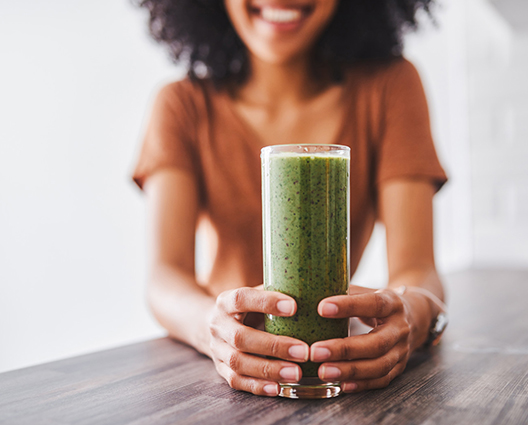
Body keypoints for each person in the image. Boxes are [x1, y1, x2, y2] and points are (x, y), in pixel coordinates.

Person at [132, 0, 447, 397]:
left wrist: (412, 320)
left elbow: (417, 268)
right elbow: (164, 277)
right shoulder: (182, 104)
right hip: (228, 375)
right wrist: (213, 331)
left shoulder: (389, 86)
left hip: (331, 360)